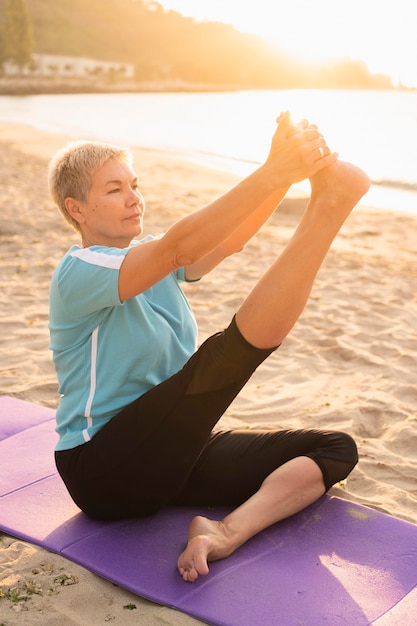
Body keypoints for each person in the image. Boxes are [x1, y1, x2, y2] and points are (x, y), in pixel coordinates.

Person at [48, 111, 370, 583]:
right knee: (219, 363)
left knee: (333, 449)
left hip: (167, 456)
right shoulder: (79, 271)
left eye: (135, 185)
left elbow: (230, 238)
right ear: (76, 209)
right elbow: (178, 249)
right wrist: (275, 171)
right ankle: (328, 209)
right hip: (102, 467)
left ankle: (223, 533)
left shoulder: (156, 261)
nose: (134, 198)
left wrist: (279, 175)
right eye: (114, 189)